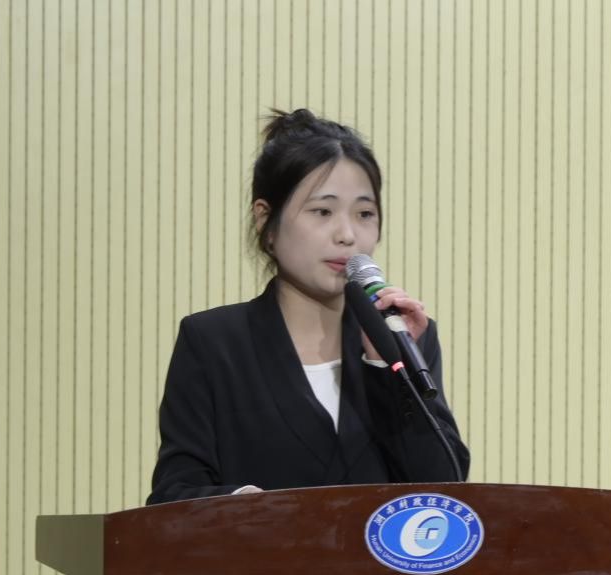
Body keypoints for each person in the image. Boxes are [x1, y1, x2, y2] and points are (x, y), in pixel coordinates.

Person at [147, 108, 469, 504]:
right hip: (262, 545)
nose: (347, 235)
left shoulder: (404, 334)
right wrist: (252, 509)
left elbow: (444, 487)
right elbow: (174, 493)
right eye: (323, 211)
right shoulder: (214, 342)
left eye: (365, 214)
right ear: (265, 221)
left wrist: (384, 367)